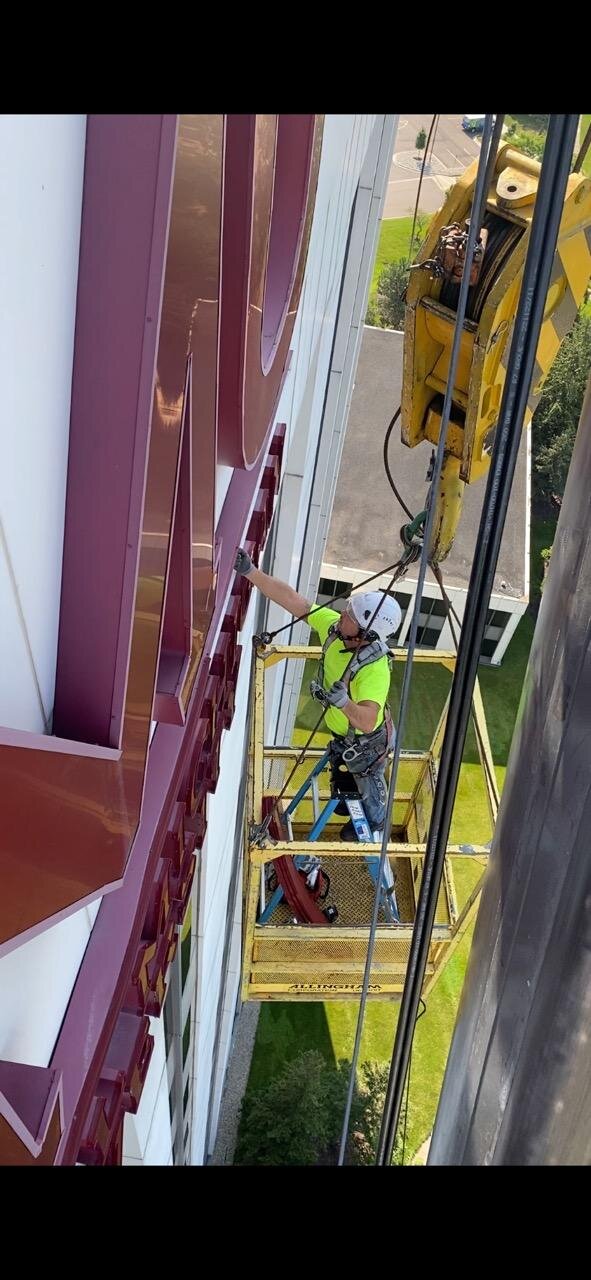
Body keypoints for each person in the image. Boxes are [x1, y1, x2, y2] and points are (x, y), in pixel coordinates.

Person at [234, 549, 401, 839]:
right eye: (346, 609)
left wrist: (345, 703)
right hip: (345, 733)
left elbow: (367, 720)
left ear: (364, 636)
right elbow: (294, 601)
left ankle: (374, 822)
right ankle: (350, 805)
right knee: (341, 768)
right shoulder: (337, 630)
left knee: (368, 780)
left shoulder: (374, 671)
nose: (341, 616)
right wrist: (251, 572)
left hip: (367, 743)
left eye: (349, 616)